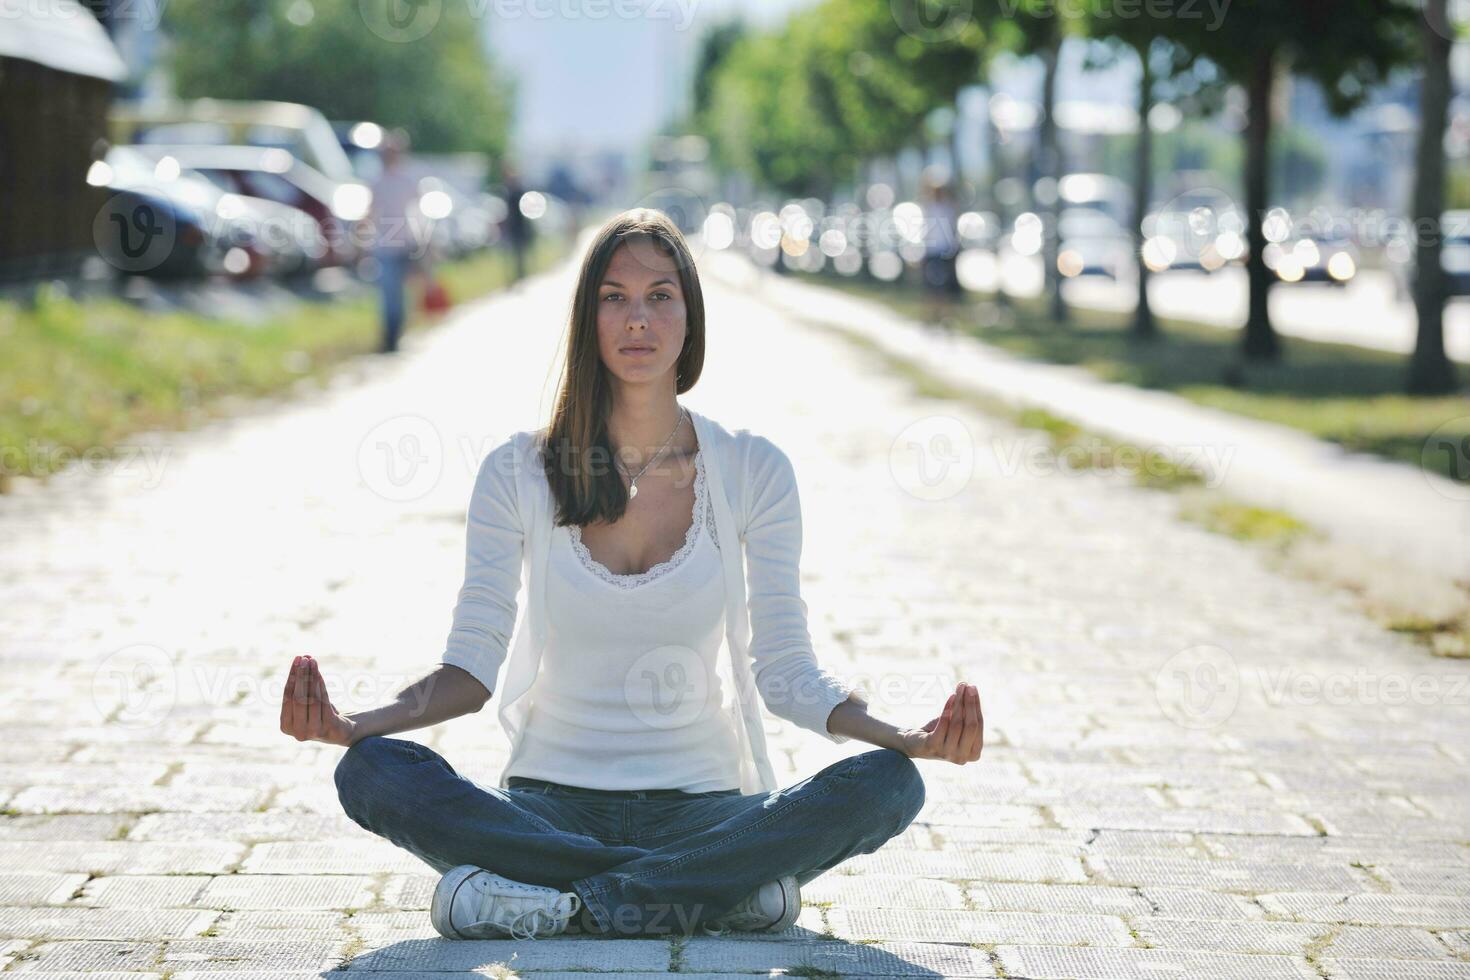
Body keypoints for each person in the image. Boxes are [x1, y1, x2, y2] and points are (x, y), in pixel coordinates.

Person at [280, 209, 985, 941]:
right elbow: (470, 667)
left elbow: (785, 672)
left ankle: (563, 896)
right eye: (614, 297)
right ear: (588, 317)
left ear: (691, 317)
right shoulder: (517, 471)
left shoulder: (752, 469)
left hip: (709, 809)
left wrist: (903, 734)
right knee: (372, 772)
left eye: (660, 295)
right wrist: (356, 724)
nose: (637, 318)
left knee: (889, 783)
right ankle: (712, 889)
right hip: (547, 807)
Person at [366, 130, 422, 353]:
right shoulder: (377, 182)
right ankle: (389, 338)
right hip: (384, 247)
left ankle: (397, 334)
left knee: (401, 294)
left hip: (405, 245)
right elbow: (370, 213)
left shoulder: (408, 181)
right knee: (388, 294)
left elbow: (419, 213)